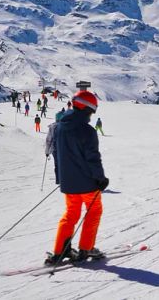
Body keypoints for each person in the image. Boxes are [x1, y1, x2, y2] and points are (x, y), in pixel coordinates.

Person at [45, 90, 108, 266]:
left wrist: (61, 178)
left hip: (68, 183)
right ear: (86, 109)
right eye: (91, 111)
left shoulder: (58, 127)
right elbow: (93, 158)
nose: (91, 115)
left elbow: (57, 154)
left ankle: (60, 250)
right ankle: (86, 248)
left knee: (71, 214)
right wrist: (101, 179)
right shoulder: (87, 131)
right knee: (93, 211)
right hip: (88, 183)